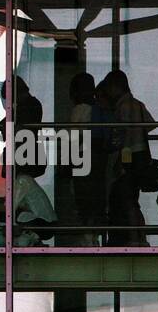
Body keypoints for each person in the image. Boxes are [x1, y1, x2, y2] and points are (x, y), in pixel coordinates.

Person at [104, 69, 153, 246]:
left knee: (126, 199)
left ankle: (133, 239)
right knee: (133, 199)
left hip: (129, 156)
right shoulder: (137, 104)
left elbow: (125, 136)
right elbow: (149, 125)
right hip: (141, 154)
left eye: (109, 87)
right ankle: (140, 237)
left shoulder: (124, 106)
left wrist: (120, 162)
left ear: (116, 86)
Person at [65, 72, 103, 246]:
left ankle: (87, 241)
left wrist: (66, 163)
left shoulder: (79, 109)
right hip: (96, 159)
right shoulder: (99, 108)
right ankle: (94, 238)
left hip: (81, 157)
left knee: (82, 201)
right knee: (94, 201)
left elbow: (73, 138)